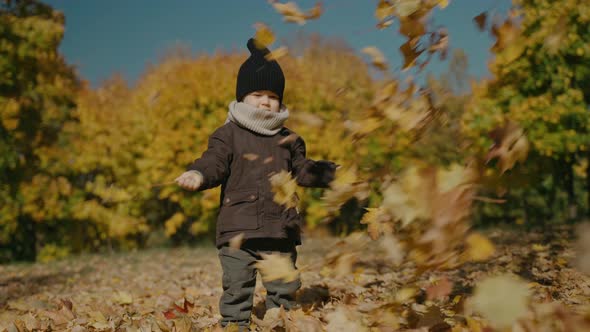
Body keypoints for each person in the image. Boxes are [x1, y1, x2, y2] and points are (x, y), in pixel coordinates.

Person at [175, 37, 337, 330]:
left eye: (272, 96)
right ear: (242, 98)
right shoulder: (228, 135)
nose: (265, 101)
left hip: (280, 230)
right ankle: (235, 325)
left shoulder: (289, 139)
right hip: (238, 232)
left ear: (281, 101)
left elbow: (302, 170)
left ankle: (281, 323)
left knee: (284, 289)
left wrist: (330, 173)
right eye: (257, 94)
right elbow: (214, 162)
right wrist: (197, 175)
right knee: (237, 289)